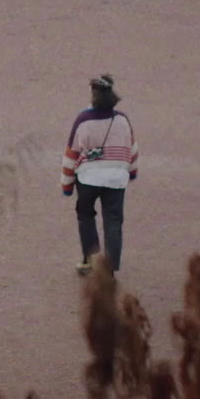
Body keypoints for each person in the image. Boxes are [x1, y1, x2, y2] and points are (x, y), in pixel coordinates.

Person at [60, 74, 138, 275]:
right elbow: (132, 149)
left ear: (93, 95)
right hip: (116, 179)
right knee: (113, 221)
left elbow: (71, 154)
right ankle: (110, 269)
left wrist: (67, 184)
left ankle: (89, 259)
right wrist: (131, 172)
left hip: (88, 178)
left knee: (85, 215)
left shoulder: (83, 120)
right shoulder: (122, 120)